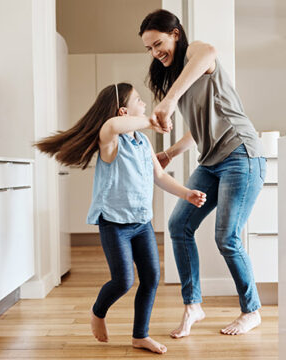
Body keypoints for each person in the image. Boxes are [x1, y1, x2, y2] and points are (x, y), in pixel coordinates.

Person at [35, 83, 207, 354]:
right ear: (124, 110)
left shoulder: (143, 142)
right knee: (123, 280)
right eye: (139, 100)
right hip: (114, 223)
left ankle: (140, 335)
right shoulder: (111, 141)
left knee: (151, 277)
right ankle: (98, 312)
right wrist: (150, 121)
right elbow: (113, 125)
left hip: (141, 223)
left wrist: (187, 195)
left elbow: (159, 176)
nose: (145, 105)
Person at [139, 10, 267, 338]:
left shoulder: (196, 52)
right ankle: (193, 305)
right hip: (211, 160)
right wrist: (169, 152)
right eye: (150, 49)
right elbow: (200, 129)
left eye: (159, 43)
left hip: (241, 153)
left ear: (176, 34)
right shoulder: (175, 76)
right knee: (179, 225)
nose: (156, 52)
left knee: (227, 237)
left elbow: (210, 52)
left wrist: (168, 102)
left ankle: (251, 310)